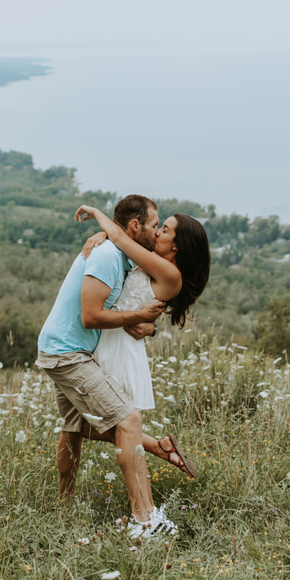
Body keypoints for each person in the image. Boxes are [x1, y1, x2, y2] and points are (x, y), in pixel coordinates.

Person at [36, 194, 178, 537]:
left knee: (72, 428)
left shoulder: (120, 253)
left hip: (65, 350)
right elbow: (90, 316)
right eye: (155, 225)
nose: (158, 232)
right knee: (128, 418)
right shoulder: (107, 256)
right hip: (68, 352)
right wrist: (140, 316)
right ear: (135, 226)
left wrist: (149, 324)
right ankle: (145, 521)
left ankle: (64, 506)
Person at [75, 204, 211, 476]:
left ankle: (142, 500)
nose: (158, 233)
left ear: (178, 245)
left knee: (85, 423)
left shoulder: (170, 274)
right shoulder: (153, 259)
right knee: (82, 421)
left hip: (120, 348)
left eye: (165, 229)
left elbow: (122, 239)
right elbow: (122, 244)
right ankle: (160, 447)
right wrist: (102, 237)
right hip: (109, 338)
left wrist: (97, 214)